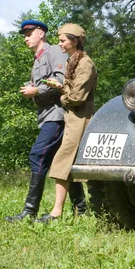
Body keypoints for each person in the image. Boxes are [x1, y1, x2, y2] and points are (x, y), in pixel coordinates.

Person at [5, 20, 86, 221]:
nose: (25, 38)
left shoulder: (53, 52)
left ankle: (30, 211)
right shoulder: (39, 58)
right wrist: (31, 86)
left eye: (29, 33)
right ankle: (82, 208)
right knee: (63, 160)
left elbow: (59, 81)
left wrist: (37, 90)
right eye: (24, 35)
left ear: (40, 33)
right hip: (47, 115)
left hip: (57, 115)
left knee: (38, 155)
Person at [37, 23, 97, 223]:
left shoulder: (85, 63)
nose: (59, 44)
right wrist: (61, 86)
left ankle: (58, 212)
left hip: (81, 117)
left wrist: (62, 94)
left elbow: (77, 97)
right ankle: (76, 209)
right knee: (71, 163)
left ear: (74, 40)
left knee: (65, 161)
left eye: (63, 40)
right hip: (73, 117)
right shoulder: (75, 61)